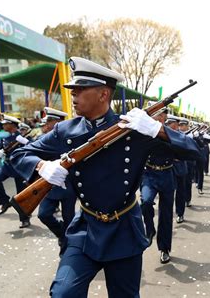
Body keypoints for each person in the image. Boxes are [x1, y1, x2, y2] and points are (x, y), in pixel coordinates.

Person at [11, 57, 199, 297]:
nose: (73, 95)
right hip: (86, 228)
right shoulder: (65, 130)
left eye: (80, 90)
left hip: (125, 229)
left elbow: (193, 152)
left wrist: (157, 129)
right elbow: (19, 154)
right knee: (63, 293)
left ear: (103, 95)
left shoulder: (135, 129)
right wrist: (41, 166)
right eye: (73, 90)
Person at [140, 108, 201, 264]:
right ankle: (149, 229)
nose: (162, 117)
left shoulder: (169, 134)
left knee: (166, 214)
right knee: (146, 202)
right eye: (159, 114)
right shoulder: (143, 132)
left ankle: (164, 249)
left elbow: (190, 148)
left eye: (163, 115)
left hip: (167, 174)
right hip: (149, 174)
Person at [36, 107, 76, 255]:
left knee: (69, 219)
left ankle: (66, 250)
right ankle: (61, 234)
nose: (46, 125)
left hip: (68, 186)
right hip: (49, 186)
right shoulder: (44, 139)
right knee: (43, 214)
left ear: (58, 123)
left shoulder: (71, 137)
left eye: (50, 121)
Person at [0, 114, 31, 228]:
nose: (3, 126)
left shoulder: (22, 137)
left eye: (5, 124)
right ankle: (5, 202)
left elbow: (34, 146)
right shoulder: (4, 137)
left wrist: (26, 142)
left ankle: (24, 219)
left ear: (12, 125)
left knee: (21, 195)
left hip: (20, 167)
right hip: (8, 165)